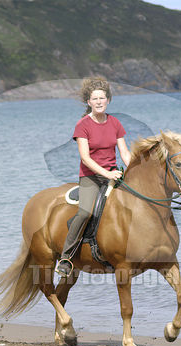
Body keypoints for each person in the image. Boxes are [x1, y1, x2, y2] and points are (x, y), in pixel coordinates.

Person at [55, 77, 131, 277]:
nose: (99, 102)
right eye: (95, 98)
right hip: (91, 178)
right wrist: (107, 173)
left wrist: (133, 170)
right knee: (85, 212)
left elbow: (125, 153)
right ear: (88, 102)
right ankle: (66, 258)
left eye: (102, 98)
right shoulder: (83, 125)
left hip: (114, 175)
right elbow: (85, 158)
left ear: (108, 100)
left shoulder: (115, 123)